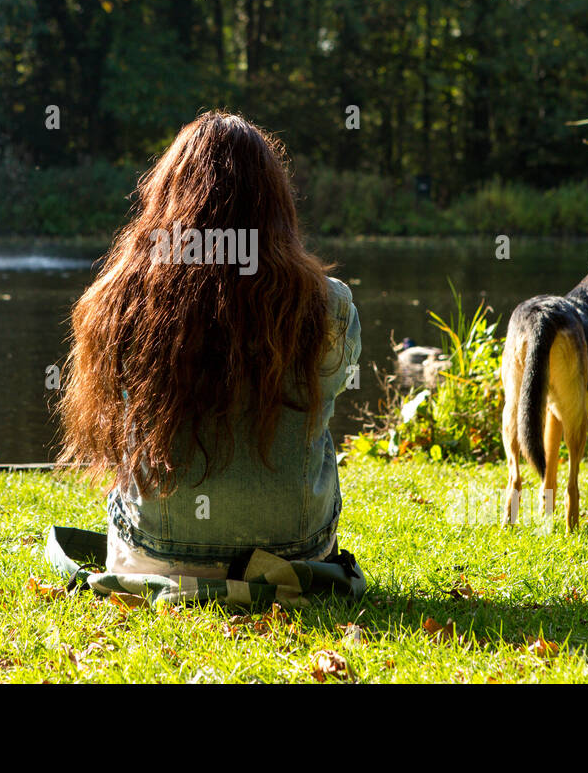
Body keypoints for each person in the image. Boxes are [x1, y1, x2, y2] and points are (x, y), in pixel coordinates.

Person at [58, 110, 361, 581]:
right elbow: (331, 389)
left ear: (166, 197)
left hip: (153, 557)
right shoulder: (329, 305)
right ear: (275, 203)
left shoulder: (121, 298)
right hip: (294, 558)